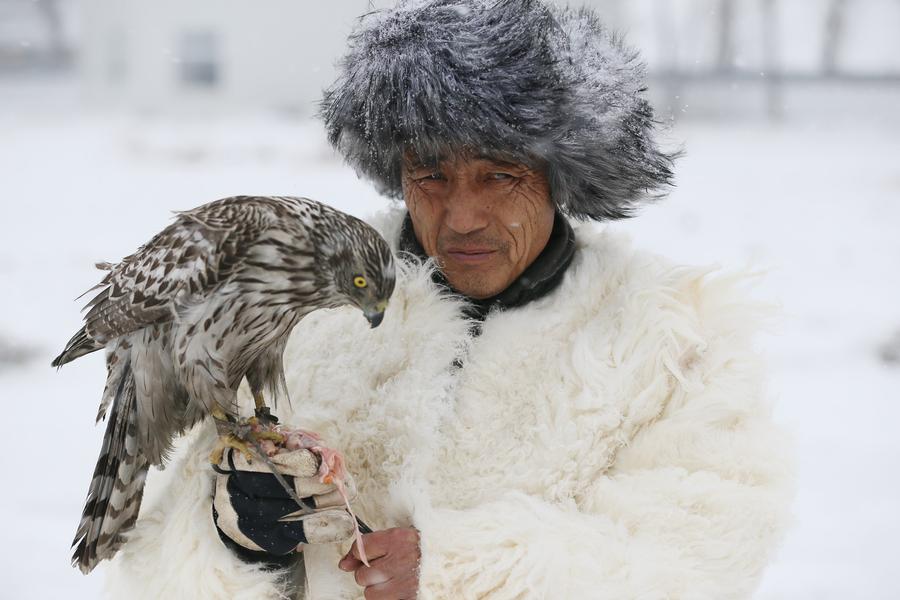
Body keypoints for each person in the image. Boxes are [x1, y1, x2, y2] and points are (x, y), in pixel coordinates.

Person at [105, 1, 792, 598]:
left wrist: (460, 573)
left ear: (560, 177)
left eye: (500, 175)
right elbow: (154, 565)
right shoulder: (295, 315)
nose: (462, 217)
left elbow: (695, 563)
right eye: (431, 174)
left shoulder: (672, 337)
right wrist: (235, 541)